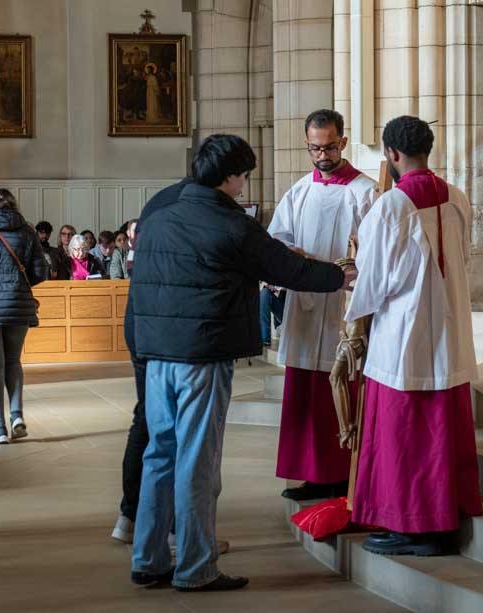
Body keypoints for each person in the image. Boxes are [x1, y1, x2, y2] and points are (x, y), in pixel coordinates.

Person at [129, 134, 354, 591]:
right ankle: (196, 568)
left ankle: (148, 559)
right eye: (244, 175)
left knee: (160, 453)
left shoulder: (158, 216)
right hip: (202, 353)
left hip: (156, 354)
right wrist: (340, 274)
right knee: (198, 461)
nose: (244, 184)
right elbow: (287, 269)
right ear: (230, 176)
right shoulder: (230, 223)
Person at [345, 116, 483, 556]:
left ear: (391, 153)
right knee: (440, 435)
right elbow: (463, 259)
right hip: (448, 332)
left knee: (405, 438)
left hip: (403, 339)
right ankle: (443, 521)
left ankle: (413, 527)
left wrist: (353, 286)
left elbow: (372, 280)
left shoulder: (391, 206)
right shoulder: (457, 197)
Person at [268, 109, 378, 501]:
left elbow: (378, 252)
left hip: (344, 308)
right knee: (305, 392)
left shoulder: (365, 192)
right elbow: (277, 238)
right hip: (305, 305)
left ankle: (340, 474)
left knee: (340, 386)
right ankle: (311, 474)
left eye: (329, 147)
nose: (322, 156)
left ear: (343, 142)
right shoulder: (299, 191)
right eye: (315, 148)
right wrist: (288, 254)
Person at [112, 180, 192, 545]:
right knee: (174, 429)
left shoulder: (159, 203)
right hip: (166, 334)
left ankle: (129, 518)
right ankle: (172, 529)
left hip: (141, 325)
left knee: (145, 419)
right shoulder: (195, 210)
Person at [0, 189, 47, 444]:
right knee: (14, 361)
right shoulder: (27, 230)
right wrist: (18, 286)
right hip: (19, 303)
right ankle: (17, 416)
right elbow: (41, 270)